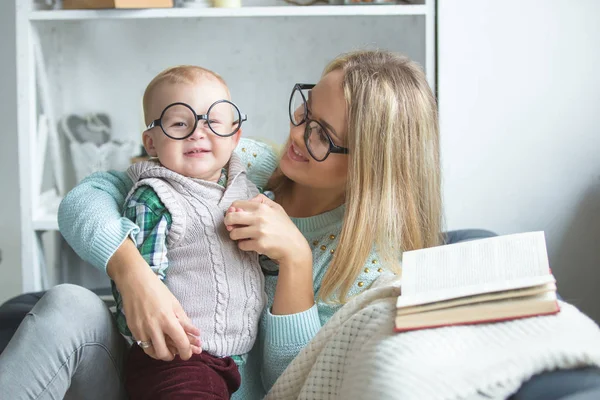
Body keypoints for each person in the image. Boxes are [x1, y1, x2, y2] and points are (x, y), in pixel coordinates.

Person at [1, 50, 598, 400]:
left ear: (371, 164)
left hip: (214, 388)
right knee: (69, 303)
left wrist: (296, 265)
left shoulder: (370, 264)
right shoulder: (250, 165)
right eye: (305, 110)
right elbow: (93, 193)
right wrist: (132, 273)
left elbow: (292, 387)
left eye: (323, 135)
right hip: (139, 364)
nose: (296, 136)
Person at [112, 65, 266, 399]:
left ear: (235, 136)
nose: (197, 132)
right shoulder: (155, 197)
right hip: (174, 358)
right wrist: (148, 337)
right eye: (179, 122)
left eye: (213, 121)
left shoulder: (250, 189)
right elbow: (139, 291)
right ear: (151, 142)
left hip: (235, 357)